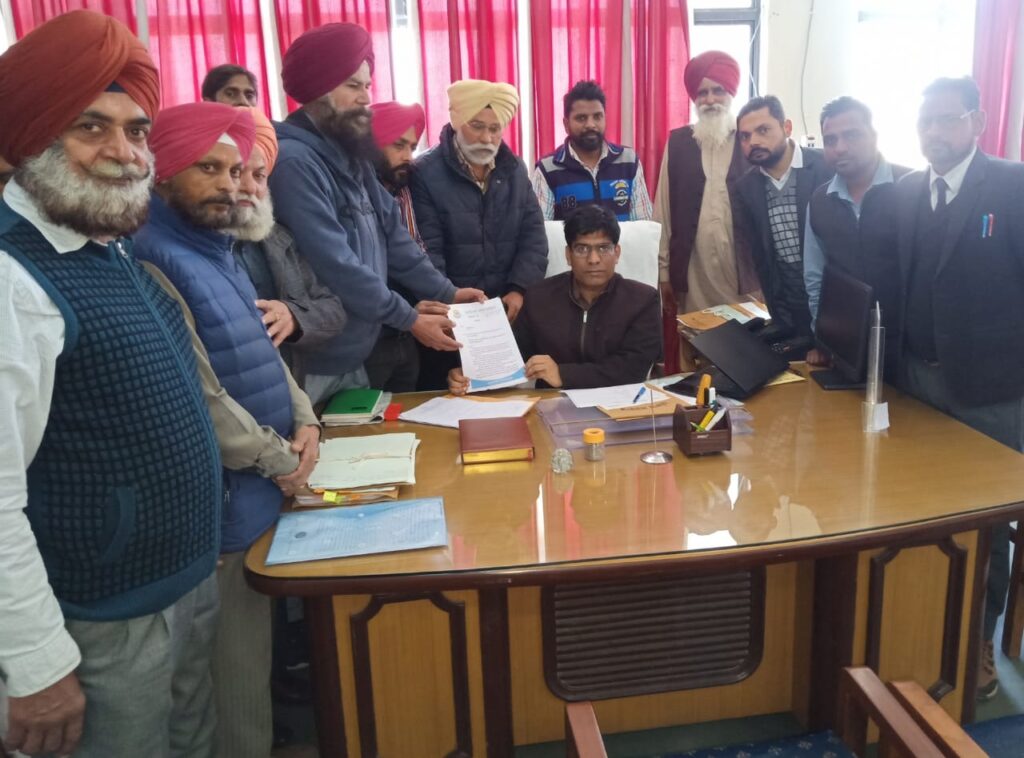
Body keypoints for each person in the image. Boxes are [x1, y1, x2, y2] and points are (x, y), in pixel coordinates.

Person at [0, 12, 222, 757]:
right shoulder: (12, 276)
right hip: (101, 617)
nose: (123, 152)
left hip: (182, 583)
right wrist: (36, 663)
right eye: (90, 127)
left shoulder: (105, 246)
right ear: (35, 136)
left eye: (136, 131)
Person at [132, 101, 321, 758]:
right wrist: (281, 461)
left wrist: (306, 420)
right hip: (226, 504)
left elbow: (264, 355)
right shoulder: (155, 257)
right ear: (162, 173)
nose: (232, 185)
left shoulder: (220, 251)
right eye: (208, 168)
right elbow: (201, 399)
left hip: (262, 487)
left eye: (239, 170)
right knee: (234, 688)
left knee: (252, 671)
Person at [268, 22, 484, 405]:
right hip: (314, 359)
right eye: (353, 85)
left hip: (357, 351)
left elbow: (394, 236)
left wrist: (446, 292)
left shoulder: (351, 154)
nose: (365, 97)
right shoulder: (295, 163)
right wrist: (409, 318)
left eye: (367, 85)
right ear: (318, 88)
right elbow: (337, 263)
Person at [896, 76, 1024, 700]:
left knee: (987, 524)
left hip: (993, 392)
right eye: (926, 122)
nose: (935, 133)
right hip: (919, 383)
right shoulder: (907, 191)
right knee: (922, 514)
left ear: (977, 122)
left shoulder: (1013, 186)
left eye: (947, 120)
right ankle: (922, 631)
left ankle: (977, 644)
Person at [411, 78, 548, 388]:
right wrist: (449, 301)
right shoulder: (425, 173)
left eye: (495, 128)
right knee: (451, 397)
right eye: (477, 126)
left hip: (506, 312)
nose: (487, 138)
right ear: (456, 121)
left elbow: (533, 236)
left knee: (510, 401)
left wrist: (519, 288)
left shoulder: (514, 170)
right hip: (450, 317)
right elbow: (426, 250)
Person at [448, 205, 661, 392]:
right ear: (568, 255)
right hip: (550, 407)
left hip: (620, 407)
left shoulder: (643, 300)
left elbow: (633, 369)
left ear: (617, 253)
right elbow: (515, 358)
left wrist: (563, 374)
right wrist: (472, 375)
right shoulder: (539, 297)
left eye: (603, 248)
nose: (593, 259)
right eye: (582, 249)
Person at [229, 107, 348, 386]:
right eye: (236, 172)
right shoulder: (197, 250)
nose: (249, 187)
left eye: (259, 175)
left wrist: (293, 317)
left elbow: (333, 310)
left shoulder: (278, 239)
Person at [803, 97, 909, 368]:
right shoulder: (820, 201)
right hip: (849, 347)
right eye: (830, 140)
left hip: (908, 348)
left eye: (851, 135)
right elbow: (815, 278)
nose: (840, 148)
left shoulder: (912, 188)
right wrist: (823, 338)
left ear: (874, 136)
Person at [654, 51, 758, 313]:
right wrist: (663, 273)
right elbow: (663, 213)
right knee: (698, 336)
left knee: (749, 335)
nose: (710, 100)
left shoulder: (750, 140)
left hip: (747, 274)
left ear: (731, 92)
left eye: (718, 90)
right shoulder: (678, 143)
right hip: (694, 275)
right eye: (702, 93)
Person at [732, 95, 833, 357]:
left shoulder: (825, 167)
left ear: (787, 127)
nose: (753, 141)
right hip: (787, 307)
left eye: (763, 130)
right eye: (745, 136)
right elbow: (761, 257)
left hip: (833, 299)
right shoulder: (746, 187)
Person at [363, 100, 430, 392]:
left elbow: (415, 254)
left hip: (408, 331)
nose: (408, 157)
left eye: (412, 147)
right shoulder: (354, 194)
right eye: (398, 145)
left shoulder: (405, 189)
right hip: (370, 337)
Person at [532, 79, 653, 221]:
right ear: (566, 124)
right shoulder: (548, 169)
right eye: (581, 118)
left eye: (597, 117)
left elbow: (643, 226)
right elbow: (541, 229)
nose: (590, 124)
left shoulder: (629, 162)